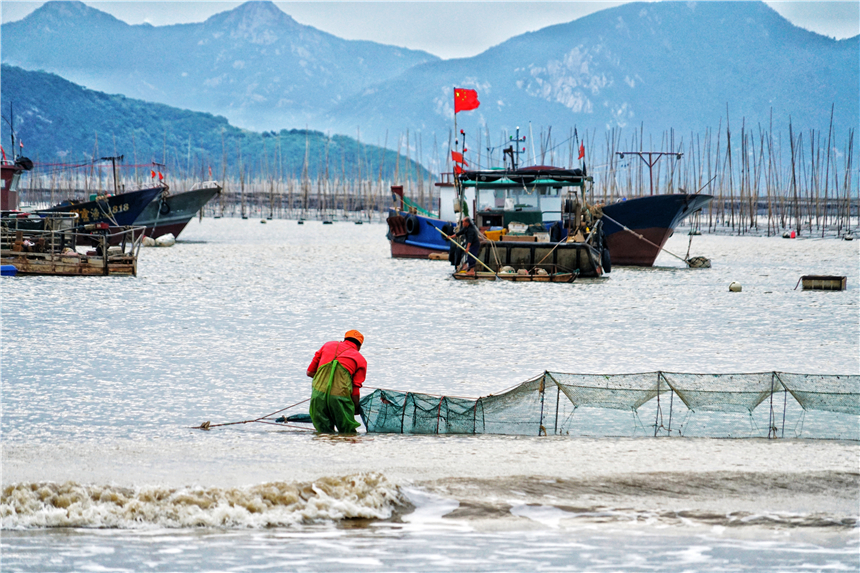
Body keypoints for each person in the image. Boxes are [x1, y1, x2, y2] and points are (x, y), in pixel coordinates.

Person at [306, 330, 367, 433]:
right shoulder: (360, 359)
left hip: (318, 396)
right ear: (359, 346)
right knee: (348, 433)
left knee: (323, 434)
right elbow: (355, 390)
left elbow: (310, 372)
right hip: (340, 400)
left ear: (344, 339)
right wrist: (356, 408)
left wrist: (327, 379)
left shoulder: (327, 345)